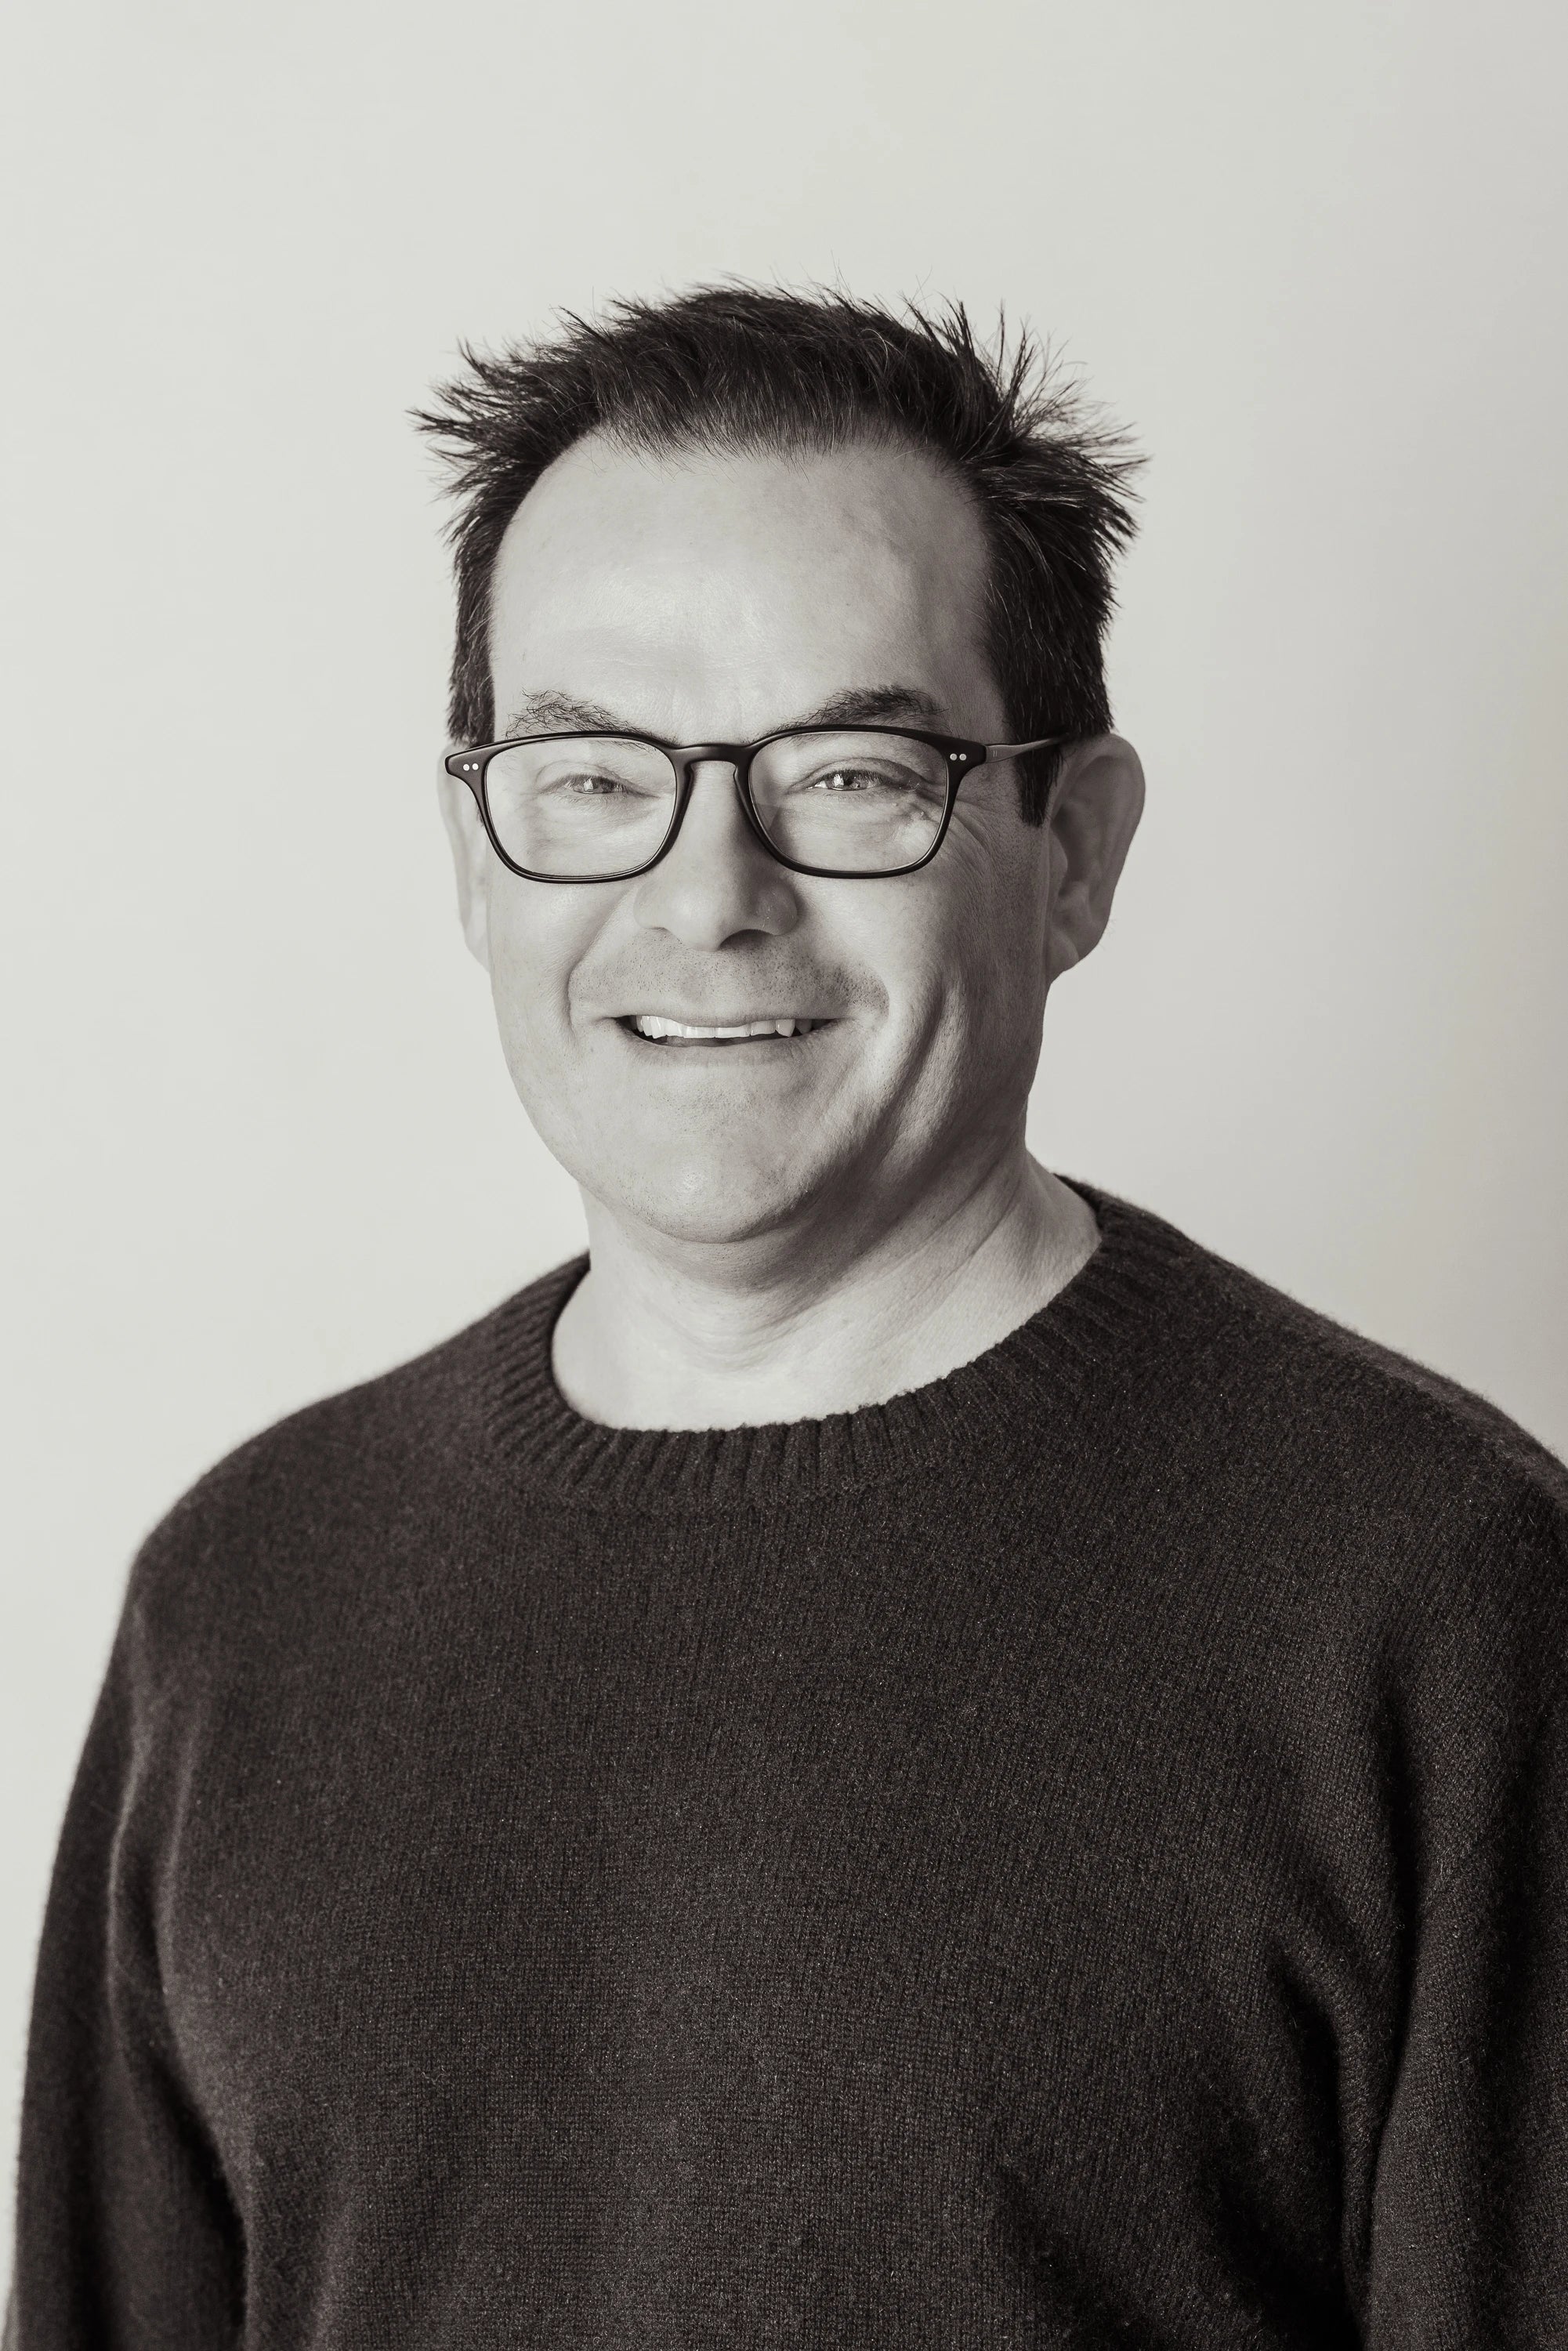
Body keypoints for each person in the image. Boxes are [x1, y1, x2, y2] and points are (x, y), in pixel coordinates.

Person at [8, 286, 1566, 2349]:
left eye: (847, 772)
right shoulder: (249, 1595)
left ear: (1070, 850)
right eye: (588, 775)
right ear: (475, 854)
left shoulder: (1427, 1596)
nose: (706, 889)